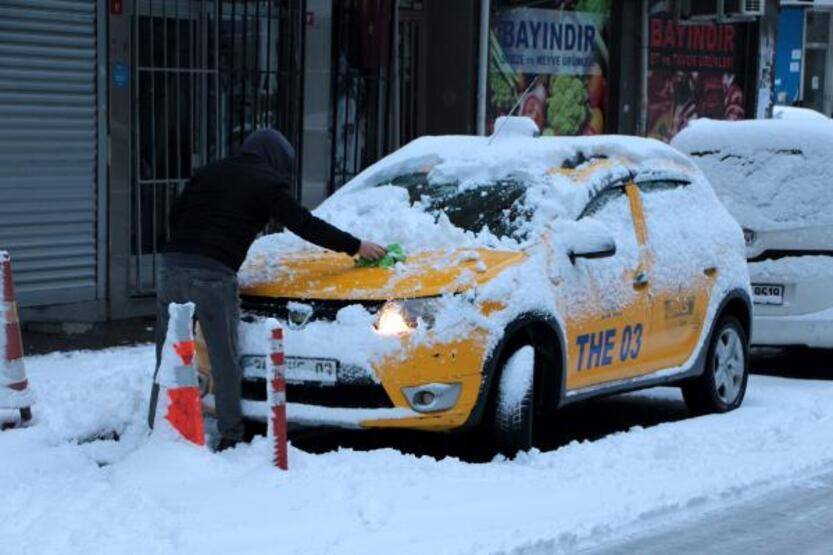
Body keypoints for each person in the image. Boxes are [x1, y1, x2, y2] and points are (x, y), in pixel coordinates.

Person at [150, 128, 386, 451]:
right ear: (276, 160)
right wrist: (355, 245)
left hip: (171, 267)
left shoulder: (209, 171)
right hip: (212, 275)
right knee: (223, 356)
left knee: (166, 352)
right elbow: (304, 224)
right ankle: (231, 433)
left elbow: (175, 214)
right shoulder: (266, 182)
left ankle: (157, 427)